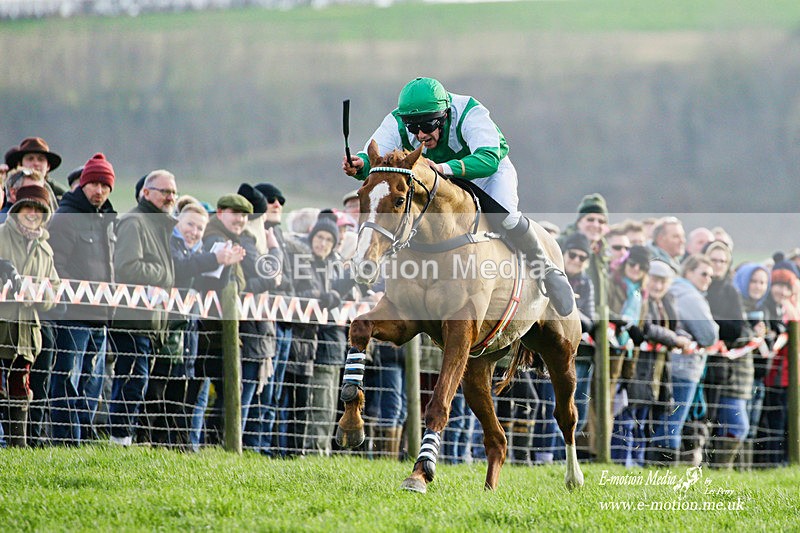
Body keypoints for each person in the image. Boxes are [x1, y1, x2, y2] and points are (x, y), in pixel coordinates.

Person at [342, 76, 574, 316]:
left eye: (427, 126)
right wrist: (361, 165)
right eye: (413, 128)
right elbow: (376, 160)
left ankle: (546, 268)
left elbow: (488, 159)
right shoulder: (397, 120)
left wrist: (443, 169)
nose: (420, 135)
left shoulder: (470, 112)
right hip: (437, 179)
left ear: (443, 116)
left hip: (485, 173)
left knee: (506, 217)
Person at [47, 153, 117, 445]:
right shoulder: (66, 219)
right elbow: (56, 266)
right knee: (68, 380)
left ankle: (84, 441)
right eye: (93, 184)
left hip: (100, 317)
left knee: (91, 384)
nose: (99, 191)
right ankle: (66, 442)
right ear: (82, 185)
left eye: (105, 185)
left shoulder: (106, 221)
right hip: (73, 317)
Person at [108, 169, 178, 446]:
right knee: (131, 382)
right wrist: (164, 274)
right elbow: (127, 267)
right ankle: (118, 440)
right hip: (132, 319)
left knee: (138, 382)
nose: (170, 197)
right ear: (146, 193)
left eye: (173, 192)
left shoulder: (160, 224)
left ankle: (124, 439)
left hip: (150, 321)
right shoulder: (134, 222)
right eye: (165, 191)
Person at [0, 185, 60, 446]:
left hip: (26, 330)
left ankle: (18, 446)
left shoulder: (45, 249)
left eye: (39, 210)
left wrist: (35, 294)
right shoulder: (1, 235)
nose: (33, 214)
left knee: (20, 387)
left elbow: (54, 290)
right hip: (2, 323)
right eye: (28, 207)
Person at [650, 254, 719, 463]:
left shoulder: (674, 291)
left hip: (669, 364)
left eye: (711, 276)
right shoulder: (690, 296)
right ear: (688, 272)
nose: (708, 279)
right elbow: (709, 335)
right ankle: (662, 468)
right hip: (685, 368)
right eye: (703, 274)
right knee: (673, 422)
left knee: (664, 418)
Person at [5, 137, 67, 201]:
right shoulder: (6, 191)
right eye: (30, 159)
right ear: (20, 164)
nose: (36, 163)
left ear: (48, 166)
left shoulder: (60, 194)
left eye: (41, 159)